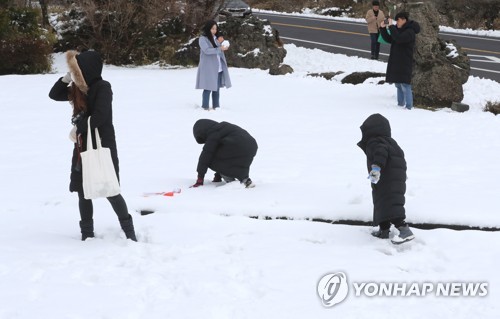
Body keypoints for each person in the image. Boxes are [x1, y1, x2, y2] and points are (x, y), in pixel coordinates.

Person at [49, 50, 137, 242]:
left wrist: (79, 126)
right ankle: (87, 235)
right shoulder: (78, 89)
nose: (76, 74)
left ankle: (129, 232)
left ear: (86, 70)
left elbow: (100, 116)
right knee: (83, 191)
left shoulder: (102, 87)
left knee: (110, 190)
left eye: (77, 70)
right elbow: (54, 95)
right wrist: (68, 76)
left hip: (102, 145)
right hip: (83, 146)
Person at [357, 113, 415, 244]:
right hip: (394, 179)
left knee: (390, 205)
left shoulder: (376, 142)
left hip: (385, 179)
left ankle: (405, 231)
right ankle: (384, 230)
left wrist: (376, 168)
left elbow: (380, 153)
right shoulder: (392, 143)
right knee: (382, 204)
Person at [190, 119, 257, 188]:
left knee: (210, 158)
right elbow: (221, 155)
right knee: (237, 163)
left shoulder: (214, 133)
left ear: (202, 131)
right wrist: (217, 176)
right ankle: (245, 180)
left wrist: (200, 179)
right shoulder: (223, 128)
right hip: (251, 146)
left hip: (237, 145)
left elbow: (205, 156)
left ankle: (232, 183)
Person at [380, 11, 420, 110]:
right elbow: (390, 39)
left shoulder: (410, 31)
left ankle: (409, 107)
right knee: (398, 84)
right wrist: (383, 28)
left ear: (404, 20)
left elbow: (399, 39)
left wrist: (391, 27)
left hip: (404, 61)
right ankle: (400, 104)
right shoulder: (399, 29)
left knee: (405, 85)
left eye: (398, 20)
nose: (396, 22)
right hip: (396, 61)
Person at [195, 20, 232, 110]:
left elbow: (224, 44)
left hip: (218, 67)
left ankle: (216, 107)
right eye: (212, 28)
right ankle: (205, 107)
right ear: (208, 28)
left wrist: (224, 43)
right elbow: (207, 50)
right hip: (208, 67)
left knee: (217, 89)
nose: (214, 30)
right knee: (208, 88)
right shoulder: (202, 39)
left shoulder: (217, 37)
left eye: (215, 28)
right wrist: (219, 49)